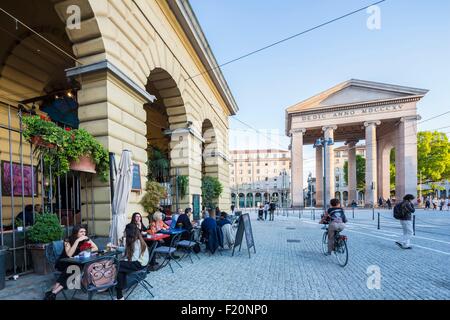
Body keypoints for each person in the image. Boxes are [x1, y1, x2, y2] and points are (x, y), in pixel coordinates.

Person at [44, 224, 98, 300]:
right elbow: (69, 254)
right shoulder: (67, 240)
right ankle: (53, 293)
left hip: (76, 262)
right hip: (64, 261)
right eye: (81, 232)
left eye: (84, 232)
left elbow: (96, 248)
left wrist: (85, 251)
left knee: (75, 269)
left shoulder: (86, 239)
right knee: (75, 270)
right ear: (76, 232)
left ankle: (53, 293)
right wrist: (77, 241)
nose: (83, 234)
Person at [115, 223, 149, 300]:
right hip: (140, 262)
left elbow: (134, 259)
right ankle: (119, 293)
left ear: (129, 232)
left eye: (125, 231)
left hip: (139, 264)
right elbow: (127, 250)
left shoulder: (136, 242)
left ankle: (118, 292)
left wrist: (124, 260)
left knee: (118, 265)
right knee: (120, 268)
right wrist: (116, 247)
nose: (124, 232)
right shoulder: (136, 240)